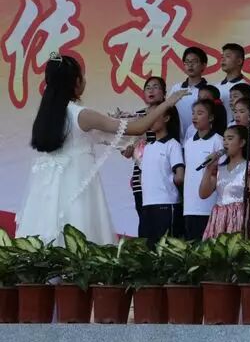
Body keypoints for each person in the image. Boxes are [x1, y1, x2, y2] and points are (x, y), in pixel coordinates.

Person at [17, 54, 188, 245]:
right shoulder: (82, 115)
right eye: (82, 75)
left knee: (47, 240)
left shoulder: (46, 116)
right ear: (76, 82)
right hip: (77, 185)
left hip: (47, 190)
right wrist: (166, 104)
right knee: (80, 235)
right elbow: (138, 128)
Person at [200, 125, 250, 239]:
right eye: (224, 139)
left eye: (230, 138)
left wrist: (247, 224)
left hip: (239, 217)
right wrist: (209, 169)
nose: (225, 142)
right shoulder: (219, 169)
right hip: (219, 218)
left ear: (242, 143)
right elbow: (203, 194)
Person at [121, 76, 164, 230]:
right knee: (144, 221)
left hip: (161, 174)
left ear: (164, 92)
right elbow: (126, 148)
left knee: (162, 223)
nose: (151, 90)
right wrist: (126, 150)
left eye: (155, 87)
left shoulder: (167, 113)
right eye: (148, 88)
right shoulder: (137, 116)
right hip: (140, 174)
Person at [139, 106, 185, 247]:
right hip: (147, 204)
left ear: (166, 118)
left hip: (166, 204)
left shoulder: (172, 144)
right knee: (147, 249)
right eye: (148, 116)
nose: (150, 119)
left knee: (165, 249)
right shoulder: (148, 147)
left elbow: (180, 175)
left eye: (155, 115)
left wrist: (168, 184)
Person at [182, 98, 226, 240]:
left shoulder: (218, 141)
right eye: (193, 113)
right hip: (189, 206)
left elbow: (221, 174)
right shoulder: (188, 143)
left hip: (210, 205)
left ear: (211, 117)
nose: (195, 117)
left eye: (200, 113)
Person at [170, 46, 208, 141]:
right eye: (187, 62)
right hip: (177, 139)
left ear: (203, 65)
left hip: (199, 139)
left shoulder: (207, 90)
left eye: (194, 62)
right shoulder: (176, 88)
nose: (190, 65)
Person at [215, 43, 246, 119]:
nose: (223, 59)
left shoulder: (245, 87)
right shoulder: (216, 87)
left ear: (239, 61)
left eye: (228, 56)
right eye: (222, 57)